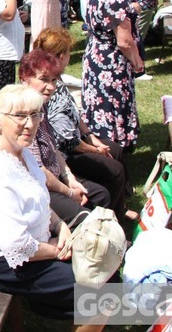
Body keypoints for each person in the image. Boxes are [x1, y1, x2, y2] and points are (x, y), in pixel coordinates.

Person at [0, 84, 105, 328]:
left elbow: (39, 197)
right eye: (20, 116)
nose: (30, 124)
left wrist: (61, 226)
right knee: (100, 299)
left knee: (102, 272)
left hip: (37, 245)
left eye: (35, 114)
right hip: (4, 262)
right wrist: (57, 250)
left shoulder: (21, 151)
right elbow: (16, 246)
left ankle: (51, 303)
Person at [34, 27, 133, 222]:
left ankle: (119, 208)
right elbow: (66, 142)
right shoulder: (50, 91)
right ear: (62, 57)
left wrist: (91, 137)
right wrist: (95, 150)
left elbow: (75, 114)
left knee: (115, 150)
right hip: (68, 153)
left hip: (68, 149)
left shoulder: (55, 81)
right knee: (114, 169)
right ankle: (112, 217)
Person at [18, 50, 113, 226]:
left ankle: (110, 239)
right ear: (24, 78)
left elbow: (54, 151)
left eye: (54, 80)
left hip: (54, 179)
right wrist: (68, 191)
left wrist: (69, 178)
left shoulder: (41, 106)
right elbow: (38, 171)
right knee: (85, 216)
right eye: (44, 80)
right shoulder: (22, 113)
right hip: (37, 188)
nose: (51, 87)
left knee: (101, 194)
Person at [82, 0, 141, 151]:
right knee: (113, 101)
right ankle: (116, 147)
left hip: (97, 55)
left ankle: (102, 143)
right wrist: (137, 61)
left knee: (99, 101)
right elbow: (124, 41)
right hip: (112, 61)